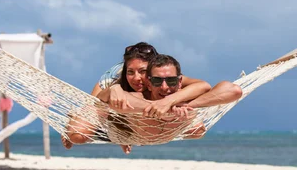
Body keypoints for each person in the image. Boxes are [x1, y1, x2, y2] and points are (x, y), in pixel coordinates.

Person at [62, 43, 212, 152]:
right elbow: (94, 104)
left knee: (198, 130)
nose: (137, 78)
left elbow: (202, 85)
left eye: (142, 71)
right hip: (111, 118)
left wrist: (171, 101)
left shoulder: (162, 76)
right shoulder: (113, 78)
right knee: (78, 135)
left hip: (146, 121)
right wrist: (122, 135)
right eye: (131, 72)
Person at [111, 54, 243, 141]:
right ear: (149, 84)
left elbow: (234, 90)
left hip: (177, 129)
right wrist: (161, 108)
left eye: (171, 81)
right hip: (129, 137)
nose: (164, 87)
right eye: (157, 81)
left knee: (197, 131)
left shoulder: (186, 99)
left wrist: (183, 105)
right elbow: (115, 102)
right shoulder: (141, 98)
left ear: (180, 82)